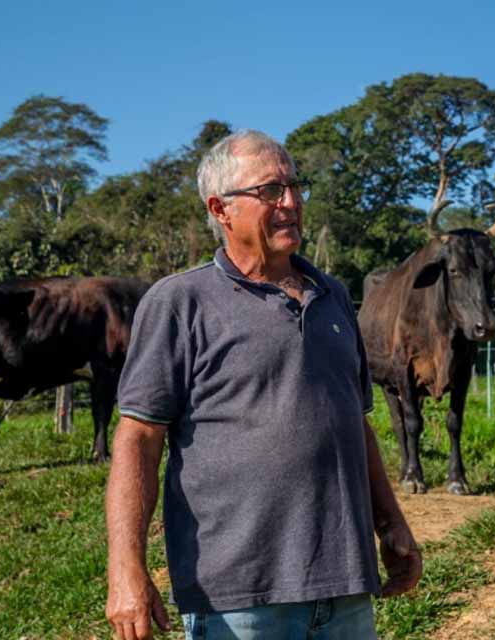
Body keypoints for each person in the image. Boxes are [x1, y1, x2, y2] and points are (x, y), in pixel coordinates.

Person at [105, 129, 422, 640]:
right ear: (221, 208)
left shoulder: (333, 297)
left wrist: (391, 523)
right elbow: (138, 438)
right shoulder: (180, 303)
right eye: (270, 191)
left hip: (344, 586)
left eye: (295, 187)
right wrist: (125, 569)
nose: (291, 202)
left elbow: (353, 423)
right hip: (239, 599)